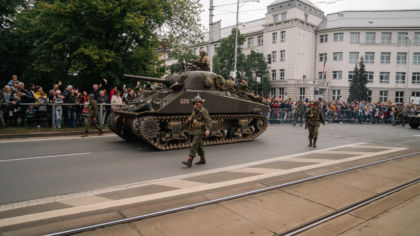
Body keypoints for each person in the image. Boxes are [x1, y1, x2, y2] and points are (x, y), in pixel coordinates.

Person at [182, 94, 211, 167]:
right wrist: (190, 119)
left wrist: (207, 129)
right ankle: (203, 159)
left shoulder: (203, 111)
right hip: (195, 130)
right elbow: (192, 116)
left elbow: (208, 120)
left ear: (201, 103)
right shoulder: (194, 110)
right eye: (195, 102)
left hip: (201, 130)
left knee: (194, 144)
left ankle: (190, 160)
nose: (197, 103)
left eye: (198, 102)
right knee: (199, 146)